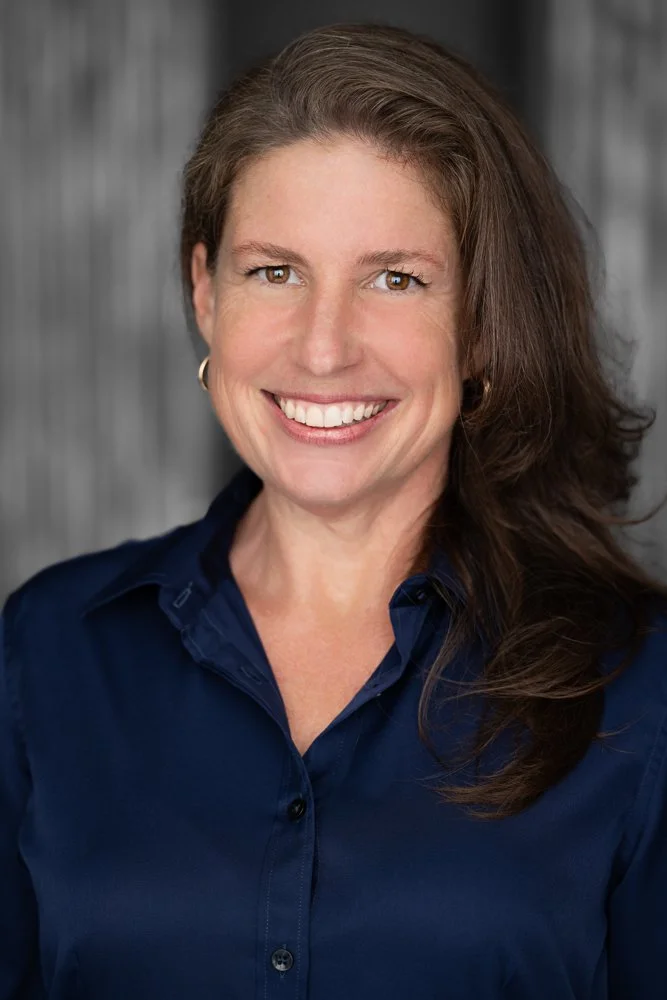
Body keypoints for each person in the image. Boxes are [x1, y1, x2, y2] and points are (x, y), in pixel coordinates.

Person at [2, 20, 667, 1000]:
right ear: (205, 293)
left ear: (482, 325)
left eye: (395, 280)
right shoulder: (47, 650)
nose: (323, 348)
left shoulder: (638, 688)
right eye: (274, 272)